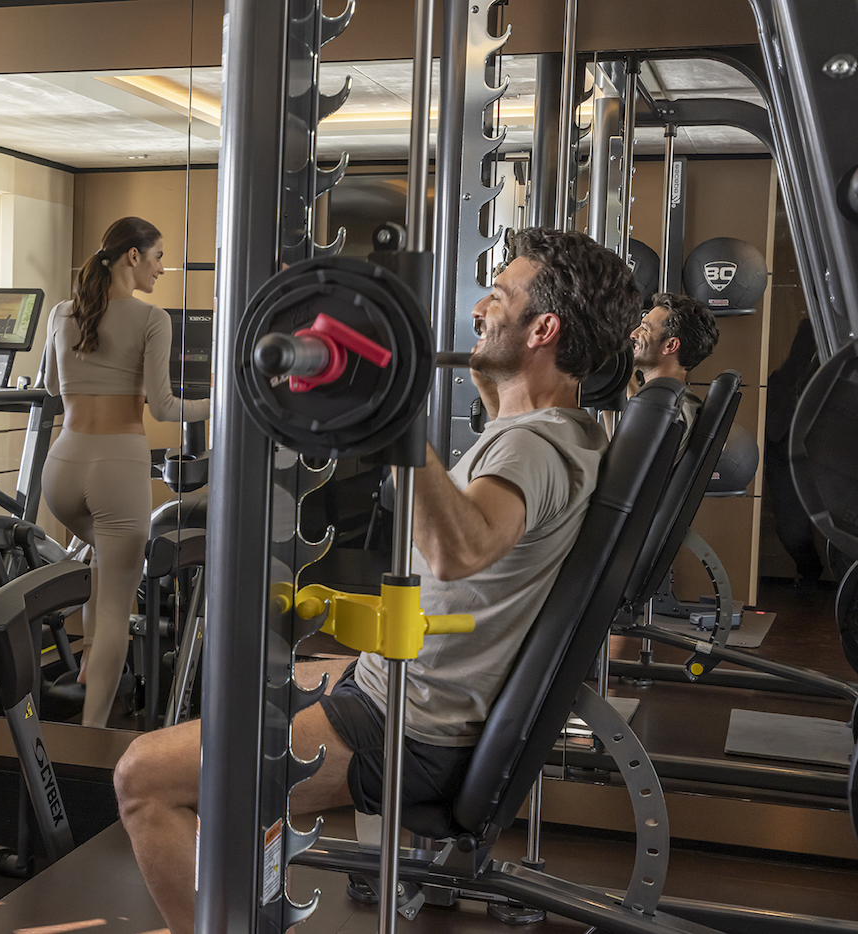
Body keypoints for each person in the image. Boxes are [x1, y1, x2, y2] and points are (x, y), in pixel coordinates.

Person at [113, 227, 639, 934]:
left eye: (499, 296)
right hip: (404, 690)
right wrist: (487, 383)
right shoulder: (557, 429)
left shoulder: (533, 449)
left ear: (543, 329)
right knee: (251, 682)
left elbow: (459, 550)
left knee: (142, 777)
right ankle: (237, 881)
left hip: (410, 727)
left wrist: (393, 410)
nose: (480, 307)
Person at [39, 216, 210, 728]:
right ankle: (91, 735)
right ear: (133, 256)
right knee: (116, 603)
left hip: (61, 470)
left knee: (102, 567)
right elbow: (164, 406)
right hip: (116, 467)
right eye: (158, 257)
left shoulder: (62, 312)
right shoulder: (152, 319)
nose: (161, 269)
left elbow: (51, 387)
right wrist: (222, 404)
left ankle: (91, 659)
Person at [764, 318, 824, 592]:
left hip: (824, 447)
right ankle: (810, 571)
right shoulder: (808, 331)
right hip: (782, 446)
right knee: (791, 527)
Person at [630, 291, 719, 448]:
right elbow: (617, 454)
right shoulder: (671, 403)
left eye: (644, 328)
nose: (633, 334)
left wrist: (629, 384)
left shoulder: (672, 409)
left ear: (670, 345)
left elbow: (631, 455)